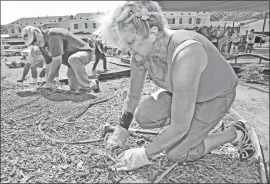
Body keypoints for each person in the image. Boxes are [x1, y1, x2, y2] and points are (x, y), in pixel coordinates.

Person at [96, 1, 256, 171]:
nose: (125, 49)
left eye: (130, 42)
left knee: (175, 153)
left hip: (216, 97)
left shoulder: (187, 53)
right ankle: (197, 124)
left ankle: (236, 133)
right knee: (143, 116)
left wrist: (144, 153)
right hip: (186, 96)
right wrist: (122, 127)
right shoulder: (139, 56)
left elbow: (180, 126)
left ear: (152, 33)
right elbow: (133, 97)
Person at [21, 26, 100, 94]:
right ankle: (92, 84)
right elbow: (49, 64)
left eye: (34, 40)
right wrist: (47, 85)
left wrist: (49, 83)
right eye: (32, 43)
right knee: (73, 88)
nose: (35, 43)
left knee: (73, 59)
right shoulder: (42, 46)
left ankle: (88, 84)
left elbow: (57, 61)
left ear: (38, 32)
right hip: (71, 63)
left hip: (85, 53)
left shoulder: (52, 35)